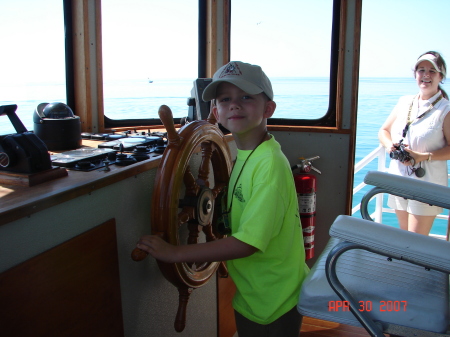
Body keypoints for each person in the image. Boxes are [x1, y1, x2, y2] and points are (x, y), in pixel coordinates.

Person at [136, 61, 309, 337]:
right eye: (225, 99)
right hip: (257, 290)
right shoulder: (248, 154)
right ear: (215, 112)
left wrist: (175, 253)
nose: (234, 105)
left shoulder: (270, 167)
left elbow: (246, 244)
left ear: (268, 109)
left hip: (275, 299)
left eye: (246, 97)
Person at [378, 51, 450, 235]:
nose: (426, 75)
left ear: (441, 76)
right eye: (421, 70)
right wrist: (390, 146)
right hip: (399, 178)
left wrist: (422, 157)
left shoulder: (445, 109)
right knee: (405, 237)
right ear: (415, 74)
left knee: (416, 241)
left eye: (432, 71)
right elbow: (383, 131)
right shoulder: (404, 102)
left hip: (427, 183)